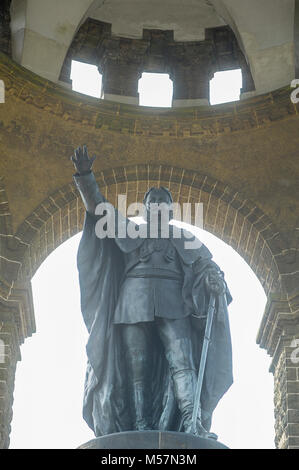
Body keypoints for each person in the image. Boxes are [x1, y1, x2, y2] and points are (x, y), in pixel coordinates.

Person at [71, 145, 233, 438]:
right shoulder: (128, 231)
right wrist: (85, 177)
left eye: (163, 201)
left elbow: (208, 266)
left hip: (174, 304)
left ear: (171, 210)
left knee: (183, 363)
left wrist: (214, 280)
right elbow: (99, 207)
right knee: (137, 371)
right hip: (132, 304)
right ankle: (141, 425)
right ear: (144, 209)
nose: (157, 204)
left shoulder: (185, 238)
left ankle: (191, 422)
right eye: (152, 200)